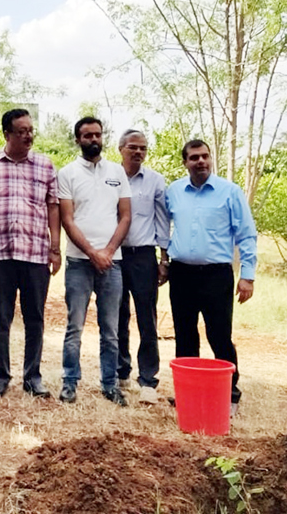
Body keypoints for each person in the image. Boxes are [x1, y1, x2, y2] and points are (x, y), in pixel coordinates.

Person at [165, 139, 256, 416]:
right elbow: (162, 226)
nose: (200, 161)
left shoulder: (229, 192)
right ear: (185, 162)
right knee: (184, 335)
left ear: (210, 159)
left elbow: (246, 234)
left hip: (216, 275)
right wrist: (163, 261)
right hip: (181, 273)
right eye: (194, 157)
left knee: (219, 334)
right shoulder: (174, 191)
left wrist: (247, 276)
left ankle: (229, 395)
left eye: (204, 156)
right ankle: (188, 393)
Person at [0, 109, 60, 399]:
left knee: (34, 316)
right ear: (7, 134)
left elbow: (53, 206)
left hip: (36, 253)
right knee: (1, 317)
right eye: (21, 130)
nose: (28, 135)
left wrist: (55, 248)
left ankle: (33, 376)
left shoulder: (45, 166)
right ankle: (0, 375)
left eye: (30, 130)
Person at [58, 116, 131, 406]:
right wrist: (92, 253)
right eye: (87, 135)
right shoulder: (67, 173)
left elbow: (125, 215)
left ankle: (110, 383)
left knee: (111, 329)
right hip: (79, 262)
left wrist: (108, 252)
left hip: (113, 263)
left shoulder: (117, 172)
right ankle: (69, 381)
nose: (93, 139)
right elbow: (67, 219)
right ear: (77, 139)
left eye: (97, 134)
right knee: (74, 326)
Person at [115, 129, 168, 405]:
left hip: (144, 256)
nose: (138, 152)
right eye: (133, 147)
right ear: (121, 149)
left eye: (143, 148)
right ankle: (120, 371)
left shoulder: (155, 181)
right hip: (114, 255)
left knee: (147, 318)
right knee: (117, 315)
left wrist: (163, 259)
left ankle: (148, 379)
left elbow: (162, 221)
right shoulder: (110, 177)